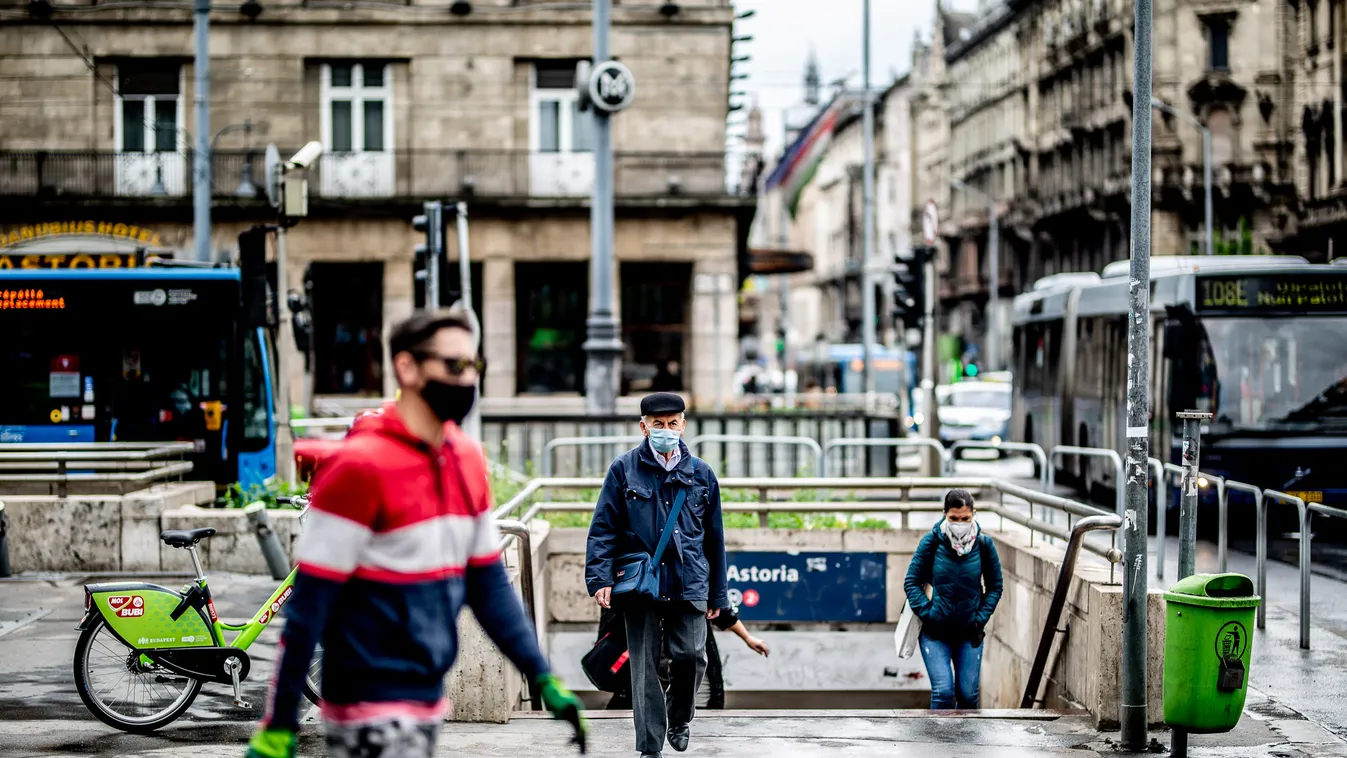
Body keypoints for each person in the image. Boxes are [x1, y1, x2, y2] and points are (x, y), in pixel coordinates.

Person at [243, 310, 584, 758]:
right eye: (454, 366)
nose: (467, 380)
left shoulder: (465, 457)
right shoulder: (358, 466)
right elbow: (310, 605)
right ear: (407, 366)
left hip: (427, 695)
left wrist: (541, 674)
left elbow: (487, 583)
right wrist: (280, 721)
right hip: (366, 701)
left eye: (473, 366)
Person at [585, 392, 729, 758]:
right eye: (657, 424)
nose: (666, 430)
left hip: (690, 579)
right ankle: (650, 748)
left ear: (683, 424)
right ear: (643, 427)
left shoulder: (701, 473)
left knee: (693, 656)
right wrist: (600, 577)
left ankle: (679, 717)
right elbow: (604, 528)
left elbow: (715, 540)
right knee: (644, 669)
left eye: (672, 423)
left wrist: (719, 595)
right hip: (641, 583)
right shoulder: (624, 469)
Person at [903, 488, 1003, 710]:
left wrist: (979, 618)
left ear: (973, 514)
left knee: (967, 696)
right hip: (935, 633)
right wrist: (929, 614)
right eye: (954, 518)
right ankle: (940, 744)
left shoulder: (984, 545)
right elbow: (911, 581)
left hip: (969, 633)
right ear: (945, 514)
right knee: (943, 693)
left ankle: (966, 745)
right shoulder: (931, 542)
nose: (960, 523)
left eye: (965, 518)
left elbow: (995, 586)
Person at [597, 605, 769, 710]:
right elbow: (612, 623)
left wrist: (747, 637)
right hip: (647, 676)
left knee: (694, 712)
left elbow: (722, 611)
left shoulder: (688, 576)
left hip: (691, 676)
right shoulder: (637, 576)